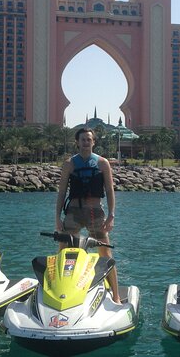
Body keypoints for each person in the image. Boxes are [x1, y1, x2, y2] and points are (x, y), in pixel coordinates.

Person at [55, 128, 120, 303]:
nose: (85, 142)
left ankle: (116, 295)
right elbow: (61, 192)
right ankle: (60, 293)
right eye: (82, 139)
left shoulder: (102, 163)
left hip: (95, 214)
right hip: (73, 214)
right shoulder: (69, 164)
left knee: (105, 253)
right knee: (63, 252)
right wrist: (57, 218)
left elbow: (109, 190)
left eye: (88, 139)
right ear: (77, 142)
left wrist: (111, 215)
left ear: (93, 142)